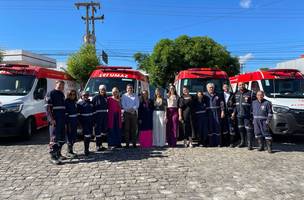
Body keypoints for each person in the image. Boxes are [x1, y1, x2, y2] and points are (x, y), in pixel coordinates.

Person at [45, 80, 66, 165]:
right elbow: (47, 108)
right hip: (55, 120)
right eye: (60, 85)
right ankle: (52, 157)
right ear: (56, 84)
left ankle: (58, 154)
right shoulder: (51, 93)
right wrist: (51, 119)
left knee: (61, 138)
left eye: (62, 85)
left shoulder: (61, 94)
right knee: (54, 138)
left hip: (62, 119)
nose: (61, 86)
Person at [234, 82, 256, 150]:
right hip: (239, 115)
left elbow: (254, 104)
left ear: (245, 85)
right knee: (241, 129)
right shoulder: (236, 93)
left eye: (242, 85)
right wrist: (234, 113)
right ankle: (242, 142)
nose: (241, 86)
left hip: (247, 115)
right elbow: (235, 105)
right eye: (240, 85)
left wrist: (252, 114)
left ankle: (250, 144)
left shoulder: (250, 93)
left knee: (249, 130)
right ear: (238, 86)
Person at [205, 83, 225, 147]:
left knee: (217, 127)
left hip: (217, 112)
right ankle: (211, 143)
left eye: (212, 87)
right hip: (209, 113)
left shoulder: (218, 95)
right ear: (207, 88)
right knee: (210, 127)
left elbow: (222, 103)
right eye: (210, 87)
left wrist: (222, 111)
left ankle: (218, 143)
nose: (211, 88)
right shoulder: (205, 95)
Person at [92, 85, 108, 151]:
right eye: (101, 89)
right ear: (99, 90)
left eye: (104, 89)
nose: (103, 90)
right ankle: (97, 146)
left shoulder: (105, 97)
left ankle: (101, 145)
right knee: (98, 131)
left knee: (103, 132)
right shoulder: (96, 97)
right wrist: (94, 118)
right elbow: (92, 107)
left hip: (104, 117)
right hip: (98, 117)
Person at [78, 91, 94, 156]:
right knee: (86, 136)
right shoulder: (79, 104)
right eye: (84, 95)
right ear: (81, 96)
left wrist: (93, 122)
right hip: (84, 123)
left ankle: (87, 149)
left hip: (90, 122)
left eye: (87, 95)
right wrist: (80, 124)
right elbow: (78, 115)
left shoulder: (91, 103)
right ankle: (86, 150)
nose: (86, 96)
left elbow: (93, 113)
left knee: (89, 136)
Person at [65, 90, 78, 158]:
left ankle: (71, 150)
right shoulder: (66, 102)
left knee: (73, 136)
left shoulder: (75, 102)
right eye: (71, 94)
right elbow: (66, 113)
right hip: (69, 121)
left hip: (75, 121)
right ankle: (68, 152)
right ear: (68, 95)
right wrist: (67, 123)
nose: (73, 96)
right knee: (69, 136)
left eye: (74, 94)